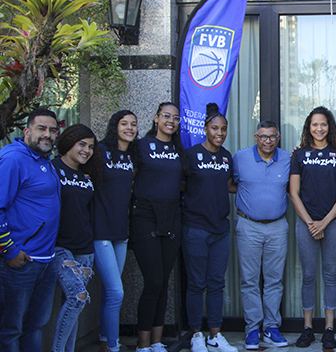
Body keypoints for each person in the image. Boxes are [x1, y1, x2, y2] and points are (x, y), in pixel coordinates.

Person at [289, 106, 336, 349]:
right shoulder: (299, 154)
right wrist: (310, 223)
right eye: (315, 124)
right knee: (308, 276)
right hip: (306, 224)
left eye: (323, 124)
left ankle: (329, 329)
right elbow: (294, 193)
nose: (319, 128)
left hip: (332, 224)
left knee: (330, 275)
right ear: (309, 126)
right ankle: (307, 328)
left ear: (329, 126)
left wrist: (324, 222)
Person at [0, 108, 61, 352]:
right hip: (20, 262)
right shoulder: (13, 159)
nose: (48, 134)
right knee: (10, 330)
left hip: (45, 260)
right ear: (26, 131)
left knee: (35, 326)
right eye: (41, 128)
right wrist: (9, 250)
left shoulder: (43, 159)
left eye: (52, 130)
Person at [183, 103, 238, 352]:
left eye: (223, 129)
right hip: (195, 227)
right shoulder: (191, 154)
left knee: (217, 283)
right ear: (206, 129)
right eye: (215, 128)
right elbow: (180, 184)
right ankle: (196, 334)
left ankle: (215, 334)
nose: (220, 133)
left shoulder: (227, 156)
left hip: (220, 229)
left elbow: (229, 185)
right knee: (196, 283)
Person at [131, 102, 185, 352]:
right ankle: (142, 345)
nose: (171, 121)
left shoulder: (178, 149)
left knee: (163, 282)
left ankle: (156, 342)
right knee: (153, 281)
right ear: (155, 118)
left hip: (171, 216)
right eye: (166, 116)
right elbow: (128, 178)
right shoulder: (141, 146)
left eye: (175, 118)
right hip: (145, 216)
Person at [233, 120, 291, 350]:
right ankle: (252, 328)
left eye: (273, 136)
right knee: (249, 280)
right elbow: (230, 184)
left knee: (274, 279)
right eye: (263, 136)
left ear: (278, 138)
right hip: (248, 226)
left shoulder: (287, 158)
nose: (268, 141)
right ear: (256, 137)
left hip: (277, 226)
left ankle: (271, 327)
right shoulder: (240, 157)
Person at [51, 124, 102, 352]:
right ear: (69, 142)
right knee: (77, 297)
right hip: (60, 247)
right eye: (82, 144)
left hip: (85, 249)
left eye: (90, 147)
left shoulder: (87, 175)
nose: (87, 151)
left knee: (73, 304)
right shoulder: (53, 168)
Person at [93, 110, 138, 352]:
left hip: (121, 232)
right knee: (115, 292)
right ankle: (113, 346)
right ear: (115, 126)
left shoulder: (132, 155)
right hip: (101, 231)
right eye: (124, 123)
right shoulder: (100, 151)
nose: (129, 128)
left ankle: (104, 340)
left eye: (133, 124)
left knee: (110, 293)